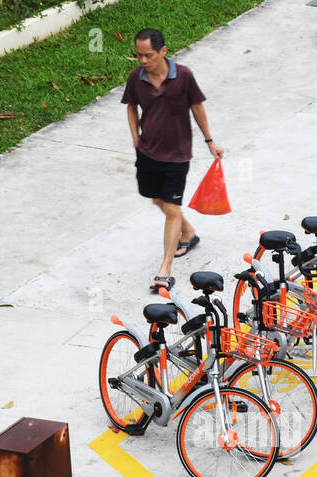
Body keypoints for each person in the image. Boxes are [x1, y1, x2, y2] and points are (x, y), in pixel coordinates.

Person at [121, 28, 225, 292]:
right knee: (157, 199)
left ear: (163, 51)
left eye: (148, 55)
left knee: (171, 209)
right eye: (139, 56)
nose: (143, 61)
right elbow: (131, 108)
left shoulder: (184, 76)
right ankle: (188, 232)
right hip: (147, 152)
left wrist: (209, 141)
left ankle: (165, 269)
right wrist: (135, 137)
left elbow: (197, 107)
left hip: (177, 156)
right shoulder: (136, 77)